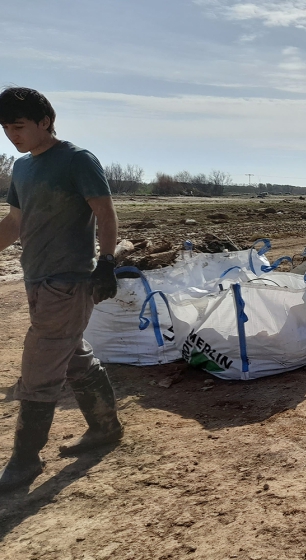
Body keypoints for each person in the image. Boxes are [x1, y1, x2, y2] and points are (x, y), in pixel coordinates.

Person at [0, 87, 122, 492]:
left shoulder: (76, 160)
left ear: (45, 121)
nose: (11, 134)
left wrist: (106, 263)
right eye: (5, 127)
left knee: (39, 366)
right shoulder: (22, 168)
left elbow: (104, 211)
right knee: (71, 356)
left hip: (67, 282)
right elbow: (14, 222)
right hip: (36, 278)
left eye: (18, 126)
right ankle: (105, 427)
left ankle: (24, 460)